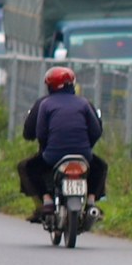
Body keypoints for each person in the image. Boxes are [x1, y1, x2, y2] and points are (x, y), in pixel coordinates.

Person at [18, 66, 106, 222]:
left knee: (28, 167)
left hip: (53, 156)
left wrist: (47, 148)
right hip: (83, 155)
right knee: (100, 167)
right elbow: (96, 131)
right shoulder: (84, 103)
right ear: (72, 84)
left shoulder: (45, 104)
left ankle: (46, 201)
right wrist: (85, 148)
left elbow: (40, 134)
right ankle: (91, 202)